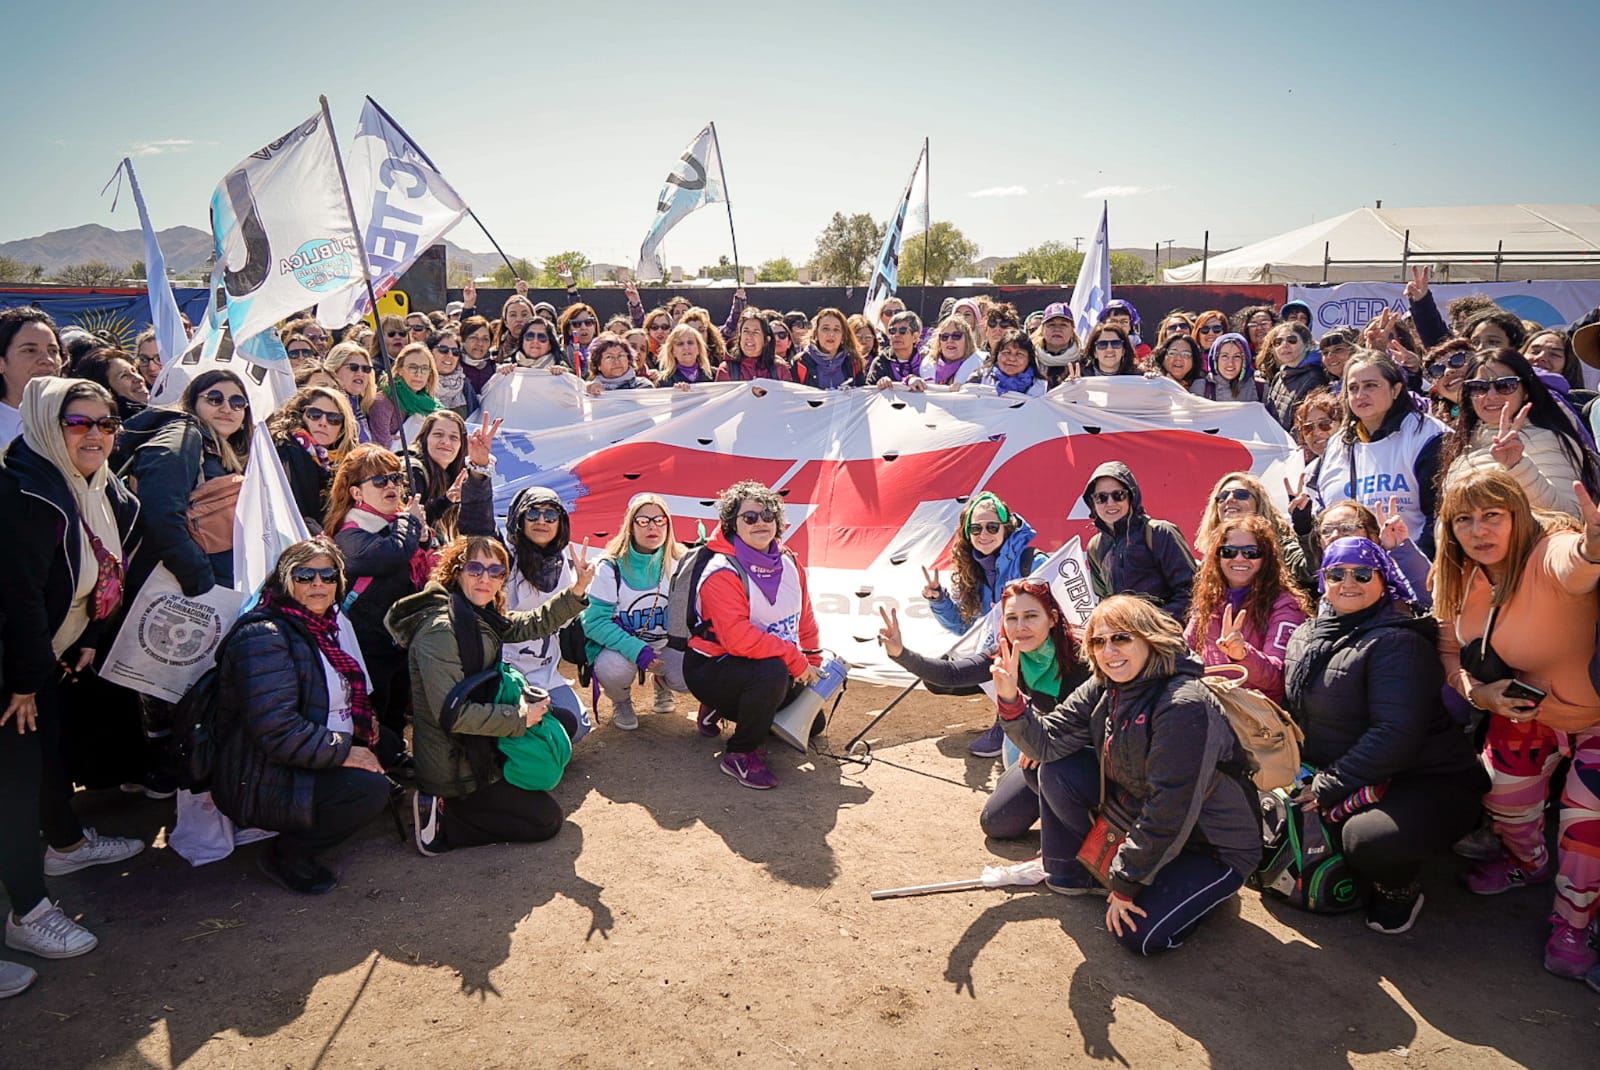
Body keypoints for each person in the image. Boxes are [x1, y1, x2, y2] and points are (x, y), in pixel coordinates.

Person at [993, 595, 1260, 954]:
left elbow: (1170, 808)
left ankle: (1195, 889)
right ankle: (1100, 872)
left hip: (1212, 844)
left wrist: (1124, 881)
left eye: (1121, 637)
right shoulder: (1106, 684)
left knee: (1138, 936)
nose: (1109, 651)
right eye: (1098, 641)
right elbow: (1047, 742)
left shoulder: (1183, 704)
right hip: (1144, 815)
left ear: (1149, 637)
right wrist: (1011, 700)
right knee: (1055, 767)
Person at [0, 378, 144, 972]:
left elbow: (97, 576)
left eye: (106, 423)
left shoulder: (96, 487)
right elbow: (18, 598)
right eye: (78, 422)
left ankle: (65, 844)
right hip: (13, 666)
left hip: (41, 655)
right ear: (44, 424)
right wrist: (24, 682)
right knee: (14, 788)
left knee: (46, 758)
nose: (95, 435)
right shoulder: (23, 492)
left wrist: (86, 638)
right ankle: (27, 913)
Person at [1434, 469, 1600, 977]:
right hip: (1525, 715)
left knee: (1586, 821)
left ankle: (1574, 923)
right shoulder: (1456, 573)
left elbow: (1576, 565)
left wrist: (1594, 544)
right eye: (1464, 519)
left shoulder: (1549, 550)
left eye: (1492, 515)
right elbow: (1449, 650)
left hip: (1597, 718)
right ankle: (1527, 865)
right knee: (1504, 798)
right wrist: (1477, 693)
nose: (1479, 530)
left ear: (1518, 516)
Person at [1282, 537, 1485, 935]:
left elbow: (1395, 734)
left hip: (1426, 779)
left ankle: (1398, 889)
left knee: (1367, 840)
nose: (1348, 582)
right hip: (1354, 774)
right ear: (1322, 581)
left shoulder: (1398, 642)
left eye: (1362, 573)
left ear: (1384, 580)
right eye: (1336, 574)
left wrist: (1325, 786)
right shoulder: (1306, 635)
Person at [386, 536, 594, 856]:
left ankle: (499, 789)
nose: (485, 578)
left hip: (479, 738)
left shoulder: (478, 613)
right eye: (475, 568)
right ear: (456, 571)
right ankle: (445, 817)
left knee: (562, 723)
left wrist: (577, 589)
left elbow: (530, 623)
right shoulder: (441, 630)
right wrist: (521, 717)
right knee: (546, 821)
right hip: (456, 762)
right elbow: (453, 715)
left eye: (496, 571)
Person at [212, 539, 393, 894]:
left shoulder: (319, 626)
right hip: (262, 771)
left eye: (328, 575)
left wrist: (361, 727)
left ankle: (330, 809)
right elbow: (277, 730)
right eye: (305, 575)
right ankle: (287, 854)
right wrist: (345, 751)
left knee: (388, 745)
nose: (318, 584)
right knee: (371, 791)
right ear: (285, 581)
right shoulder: (264, 637)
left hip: (305, 747)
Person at [881, 580, 1088, 840]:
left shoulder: (1084, 657)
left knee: (1037, 770)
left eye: (1031, 616)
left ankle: (1086, 834)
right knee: (996, 823)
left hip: (1084, 752)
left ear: (1053, 618)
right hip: (1044, 744)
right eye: (1011, 618)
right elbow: (952, 674)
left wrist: (1048, 743)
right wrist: (900, 652)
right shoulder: (1007, 654)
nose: (1020, 627)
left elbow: (1097, 724)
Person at [682, 480, 824, 789]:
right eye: (749, 517)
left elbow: (804, 616)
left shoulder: (789, 560)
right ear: (732, 524)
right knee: (772, 673)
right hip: (712, 667)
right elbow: (737, 639)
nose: (761, 522)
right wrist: (794, 658)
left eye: (768, 515)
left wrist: (812, 661)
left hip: (767, 663)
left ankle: (734, 709)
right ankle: (740, 753)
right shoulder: (722, 571)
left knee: (813, 724)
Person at [326, 444, 434, 736]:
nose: (391, 485)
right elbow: (392, 555)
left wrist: (422, 536)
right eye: (379, 480)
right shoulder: (350, 532)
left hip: (398, 639)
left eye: (396, 478)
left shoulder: (397, 523)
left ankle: (395, 749)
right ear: (356, 492)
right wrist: (410, 522)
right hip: (367, 646)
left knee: (396, 710)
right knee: (376, 714)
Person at [921, 492, 1040, 756]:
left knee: (1004, 656)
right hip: (998, 651)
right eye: (976, 528)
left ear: (1006, 528)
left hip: (1034, 654)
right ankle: (1008, 712)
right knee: (938, 678)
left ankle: (1016, 720)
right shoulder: (973, 568)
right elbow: (963, 626)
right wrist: (938, 599)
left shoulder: (1032, 562)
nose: (983, 534)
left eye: (992, 527)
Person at [120, 369, 251, 597]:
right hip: (171, 586)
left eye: (237, 402)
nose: (226, 408)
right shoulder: (183, 438)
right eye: (214, 398)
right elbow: (161, 516)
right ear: (192, 403)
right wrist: (200, 579)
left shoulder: (218, 450)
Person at [1315, 349, 1449, 556]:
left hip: (1415, 566)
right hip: (1351, 569)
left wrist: (1414, 566)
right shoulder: (1336, 444)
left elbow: (1440, 516)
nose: (1360, 395)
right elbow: (1323, 515)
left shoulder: (1428, 435)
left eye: (1371, 385)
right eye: (1353, 388)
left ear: (1395, 390)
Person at [1438, 348, 1598, 519]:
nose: (1491, 395)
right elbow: (1446, 520)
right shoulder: (1461, 445)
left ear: (1526, 392)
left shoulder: (1547, 439)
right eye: (1479, 387)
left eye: (1505, 385)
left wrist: (1517, 466)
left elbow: (1570, 516)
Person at [583, 493, 689, 730]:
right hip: (621, 648)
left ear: (668, 524)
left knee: (693, 674)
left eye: (659, 520)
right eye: (643, 521)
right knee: (613, 669)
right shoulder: (609, 566)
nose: (652, 526)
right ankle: (621, 700)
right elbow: (593, 622)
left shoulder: (681, 561)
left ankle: (662, 682)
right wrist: (638, 651)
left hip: (666, 645)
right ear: (630, 526)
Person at [1184, 515, 1309, 702]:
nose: (1239, 559)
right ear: (1217, 557)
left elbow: (1278, 676)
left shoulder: (1285, 604)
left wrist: (1242, 654)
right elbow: (1184, 652)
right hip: (1209, 703)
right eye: (1229, 552)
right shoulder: (1209, 598)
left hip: (1254, 711)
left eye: (1251, 552)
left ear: (1266, 558)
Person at [1081, 462, 1196, 620]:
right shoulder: (1096, 547)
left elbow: (1191, 591)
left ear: (1132, 496)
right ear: (1092, 503)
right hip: (1122, 633)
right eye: (1101, 497)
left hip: (1166, 632)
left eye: (1118, 495)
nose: (1110, 503)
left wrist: (1156, 625)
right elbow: (1104, 600)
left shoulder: (1160, 533)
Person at [1296, 498, 1432, 610]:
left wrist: (1403, 548)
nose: (1335, 535)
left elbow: (1430, 602)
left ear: (1373, 535)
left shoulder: (1393, 573)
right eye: (1326, 530)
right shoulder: (1323, 581)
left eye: (1348, 528)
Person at [1195, 471, 1315, 592]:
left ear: (1258, 503)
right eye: (1223, 496)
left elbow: (1312, 571)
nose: (1230, 499)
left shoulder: (1279, 545)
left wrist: (1304, 527)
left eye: (1241, 494)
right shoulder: (1211, 554)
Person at [267, 386, 357, 531]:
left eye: (333, 419)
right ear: (301, 415)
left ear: (342, 428)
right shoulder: (285, 450)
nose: (323, 422)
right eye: (315, 414)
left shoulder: (346, 465)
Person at [0, 307, 65, 446]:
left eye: (53, 351)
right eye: (30, 350)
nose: (47, 360)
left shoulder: (79, 418)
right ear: (1, 363)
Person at [408, 410, 469, 543]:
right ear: (425, 438)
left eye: (454, 437)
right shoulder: (413, 471)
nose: (446, 442)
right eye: (438, 434)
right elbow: (412, 525)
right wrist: (446, 501)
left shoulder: (457, 475)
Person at [368, 343, 439, 450]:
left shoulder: (431, 404)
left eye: (424, 368)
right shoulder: (383, 402)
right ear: (399, 370)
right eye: (412, 367)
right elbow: (381, 447)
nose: (419, 374)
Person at [1262, 322, 1328, 432]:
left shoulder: (1314, 378)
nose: (1284, 345)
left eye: (1291, 340)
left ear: (1308, 345)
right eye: (1278, 342)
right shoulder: (1279, 376)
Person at [793, 308, 865, 389]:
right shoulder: (800, 362)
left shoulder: (853, 362)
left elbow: (862, 392)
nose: (831, 334)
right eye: (825, 329)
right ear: (816, 333)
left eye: (836, 330)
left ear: (843, 336)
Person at [72, 347, 148, 421]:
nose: (138, 378)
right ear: (105, 390)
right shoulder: (120, 426)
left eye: (134, 371)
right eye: (124, 375)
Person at [966, 329, 1046, 397]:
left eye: (1019, 354)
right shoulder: (979, 379)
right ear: (997, 355)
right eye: (1006, 352)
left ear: (1029, 359)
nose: (1012, 359)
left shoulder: (1043, 387)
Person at [324, 342, 377, 444]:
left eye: (366, 369)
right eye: (353, 367)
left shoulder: (363, 406)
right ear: (335, 369)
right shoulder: (328, 405)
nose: (360, 373)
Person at [720, 311, 793, 384]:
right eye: (745, 331)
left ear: (766, 340)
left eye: (756, 332)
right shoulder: (727, 369)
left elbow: (787, 391)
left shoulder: (779, 368)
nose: (749, 337)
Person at [1191, 332, 1265, 402]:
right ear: (1215, 359)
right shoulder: (1201, 387)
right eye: (1224, 356)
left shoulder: (1260, 388)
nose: (1230, 363)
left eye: (1237, 356)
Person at [916, 316, 984, 389]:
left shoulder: (981, 366)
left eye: (956, 336)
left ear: (967, 340)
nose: (949, 340)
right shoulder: (926, 365)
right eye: (944, 336)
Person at [428, 327, 479, 418]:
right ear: (430, 352)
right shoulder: (420, 383)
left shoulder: (465, 386)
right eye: (443, 349)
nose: (450, 355)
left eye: (455, 352)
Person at [868, 310, 923, 387]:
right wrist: (880, 383)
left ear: (915, 337)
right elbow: (869, 390)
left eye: (902, 331)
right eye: (892, 331)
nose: (896, 335)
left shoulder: (925, 362)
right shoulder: (880, 362)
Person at [1033, 302, 1082, 386]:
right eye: (1051, 325)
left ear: (1072, 330)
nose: (1057, 329)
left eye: (1063, 325)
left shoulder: (1084, 361)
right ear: (1042, 330)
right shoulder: (1030, 359)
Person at [457, 315, 497, 392]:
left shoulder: (495, 369)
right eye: (474, 338)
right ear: (462, 340)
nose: (480, 343)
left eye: (485, 339)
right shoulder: (453, 367)